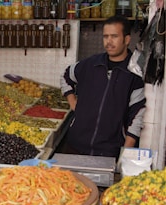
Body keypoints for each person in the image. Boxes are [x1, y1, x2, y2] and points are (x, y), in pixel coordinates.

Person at [60, 15, 146, 159]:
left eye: (114, 36)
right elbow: (66, 76)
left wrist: (125, 155)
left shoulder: (135, 74)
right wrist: (73, 103)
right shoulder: (90, 64)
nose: (109, 42)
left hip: (108, 153)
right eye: (106, 36)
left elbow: (136, 118)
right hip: (75, 147)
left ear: (126, 39)